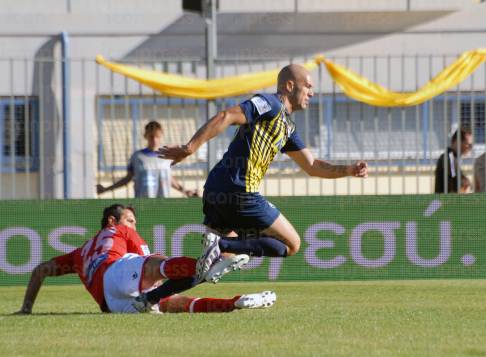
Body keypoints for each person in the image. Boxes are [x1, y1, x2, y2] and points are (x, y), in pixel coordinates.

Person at [158, 64, 368, 280]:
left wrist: (349, 169)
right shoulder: (270, 104)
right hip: (240, 191)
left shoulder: (287, 126)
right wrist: (190, 147)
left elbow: (312, 165)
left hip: (216, 189)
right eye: (308, 86)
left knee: (214, 264)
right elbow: (227, 115)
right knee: (292, 244)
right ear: (289, 85)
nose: (311, 93)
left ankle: (150, 298)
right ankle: (221, 245)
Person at [15, 204, 274, 314]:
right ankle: (204, 265)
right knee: (157, 265)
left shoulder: (78, 254)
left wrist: (27, 308)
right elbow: (149, 262)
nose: (133, 225)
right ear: (112, 221)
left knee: (177, 304)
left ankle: (236, 302)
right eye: (131, 220)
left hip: (112, 305)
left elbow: (40, 270)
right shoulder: (120, 230)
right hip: (115, 273)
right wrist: (186, 272)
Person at [97, 121, 199, 198]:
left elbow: (168, 179)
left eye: (157, 136)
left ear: (161, 136)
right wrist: (106, 189)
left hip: (163, 203)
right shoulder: (137, 157)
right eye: (151, 137)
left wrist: (185, 191)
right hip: (143, 204)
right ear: (146, 136)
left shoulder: (167, 155)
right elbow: (127, 179)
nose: (154, 140)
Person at [435, 128, 473, 194]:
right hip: (444, 202)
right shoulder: (450, 158)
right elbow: (456, 178)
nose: (470, 148)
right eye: (468, 144)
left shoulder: (451, 157)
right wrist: (466, 182)